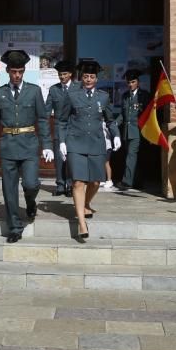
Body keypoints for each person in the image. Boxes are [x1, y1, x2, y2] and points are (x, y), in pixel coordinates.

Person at [0, 50, 53, 243]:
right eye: (14, 71)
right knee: (9, 189)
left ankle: (31, 201)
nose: (17, 75)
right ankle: (14, 226)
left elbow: (42, 119)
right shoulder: (0, 93)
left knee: (31, 183)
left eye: (20, 71)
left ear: (24, 72)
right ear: (7, 71)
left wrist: (47, 145)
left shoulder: (34, 91)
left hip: (29, 144)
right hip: (8, 146)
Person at [56, 59, 120, 241]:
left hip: (96, 143)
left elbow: (110, 119)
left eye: (92, 77)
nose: (89, 80)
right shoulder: (72, 96)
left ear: (97, 79)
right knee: (78, 183)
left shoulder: (103, 97)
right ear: (81, 78)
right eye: (85, 76)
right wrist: (62, 141)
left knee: (95, 183)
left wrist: (115, 135)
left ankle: (85, 204)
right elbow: (61, 120)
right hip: (75, 143)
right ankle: (82, 223)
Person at [45, 61, 77, 197]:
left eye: (64, 74)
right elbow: (47, 110)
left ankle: (70, 184)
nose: (62, 77)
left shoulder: (78, 88)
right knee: (59, 158)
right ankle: (59, 184)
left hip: (74, 128)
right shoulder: (54, 89)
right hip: (59, 127)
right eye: (60, 74)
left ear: (70, 74)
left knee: (71, 158)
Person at [115, 69, 150, 191]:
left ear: (138, 82)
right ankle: (138, 181)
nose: (130, 84)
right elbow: (123, 114)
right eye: (129, 82)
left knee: (131, 156)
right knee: (132, 156)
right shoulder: (125, 96)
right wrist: (115, 123)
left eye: (133, 82)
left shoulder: (144, 95)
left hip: (138, 131)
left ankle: (126, 182)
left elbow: (148, 114)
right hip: (126, 131)